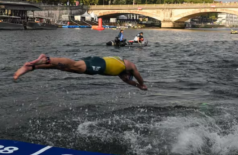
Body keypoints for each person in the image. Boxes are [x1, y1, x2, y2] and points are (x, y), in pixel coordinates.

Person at [13, 54, 148, 91]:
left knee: (65, 68)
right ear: (127, 72)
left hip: (96, 64)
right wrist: (141, 84)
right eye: (127, 76)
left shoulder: (121, 74)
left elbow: (130, 81)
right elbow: (136, 73)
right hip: (99, 64)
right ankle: (47, 58)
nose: (126, 78)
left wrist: (137, 86)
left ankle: (33, 68)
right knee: (74, 64)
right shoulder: (128, 65)